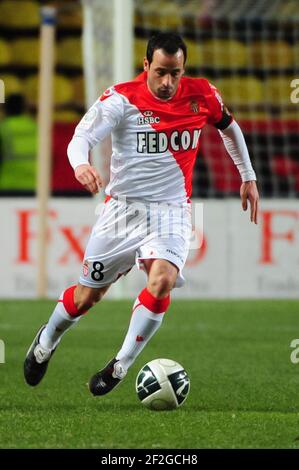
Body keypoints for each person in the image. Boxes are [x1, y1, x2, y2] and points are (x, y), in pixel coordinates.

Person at [24, 32, 259, 395]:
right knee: (87, 297)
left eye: (175, 74)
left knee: (162, 280)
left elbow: (229, 127)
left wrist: (248, 176)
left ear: (184, 70)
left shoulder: (203, 94)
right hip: (121, 212)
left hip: (172, 211)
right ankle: (47, 340)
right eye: (161, 72)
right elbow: (80, 139)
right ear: (146, 66)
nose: (167, 82)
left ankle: (120, 366)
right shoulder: (121, 99)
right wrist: (80, 165)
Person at [0, 93, 37, 192]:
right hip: (35, 184)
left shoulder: (3, 128)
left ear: (5, 108)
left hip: (8, 184)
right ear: (25, 108)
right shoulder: (36, 127)